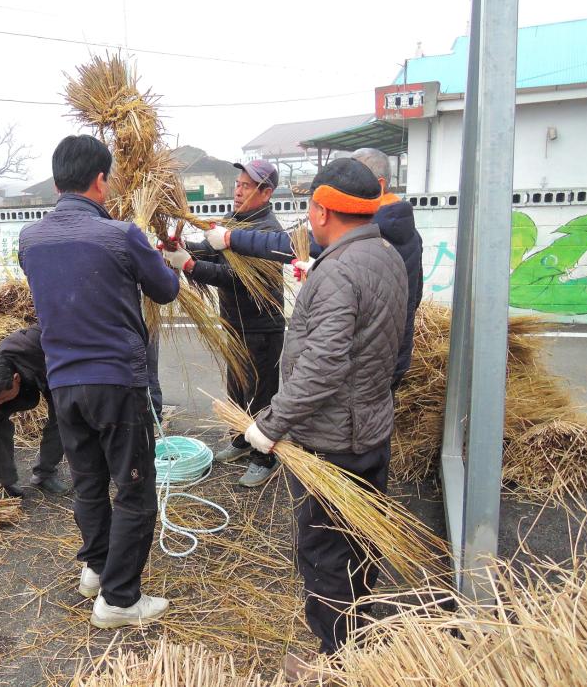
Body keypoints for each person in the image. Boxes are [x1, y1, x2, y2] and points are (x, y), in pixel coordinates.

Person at [239, 159, 407, 682]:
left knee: (325, 551)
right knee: (358, 541)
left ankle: (336, 663)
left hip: (332, 440)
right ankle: (355, 642)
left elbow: (323, 364)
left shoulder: (338, 270)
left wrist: (269, 424)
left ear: (321, 210)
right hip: (370, 429)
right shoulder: (386, 255)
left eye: (309, 205)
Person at [18, 135, 180, 629]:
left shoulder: (29, 238)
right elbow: (166, 289)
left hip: (63, 382)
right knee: (133, 488)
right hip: (114, 382)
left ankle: (96, 568)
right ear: (100, 180)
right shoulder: (120, 234)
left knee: (88, 481)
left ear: (55, 181)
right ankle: (119, 599)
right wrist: (157, 255)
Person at [203, 148, 423, 390]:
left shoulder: (358, 232)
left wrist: (229, 239)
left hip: (358, 368)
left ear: (378, 186)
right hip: (387, 360)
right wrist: (321, 268)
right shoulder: (406, 235)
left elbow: (288, 243)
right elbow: (404, 296)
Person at [161, 159, 285, 488]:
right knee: (237, 389)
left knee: (261, 396)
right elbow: (214, 254)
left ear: (267, 193)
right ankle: (243, 440)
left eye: (247, 186)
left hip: (261, 329)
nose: (239, 190)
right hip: (233, 324)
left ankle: (265, 457)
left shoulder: (268, 234)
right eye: (239, 183)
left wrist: (189, 266)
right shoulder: (233, 223)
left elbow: (237, 279)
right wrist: (186, 250)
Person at [0, 324, 69, 501]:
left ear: (16, 379)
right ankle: (6, 481)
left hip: (51, 374)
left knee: (62, 418)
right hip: (25, 380)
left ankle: (44, 474)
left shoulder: (36, 343)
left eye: (4, 398)